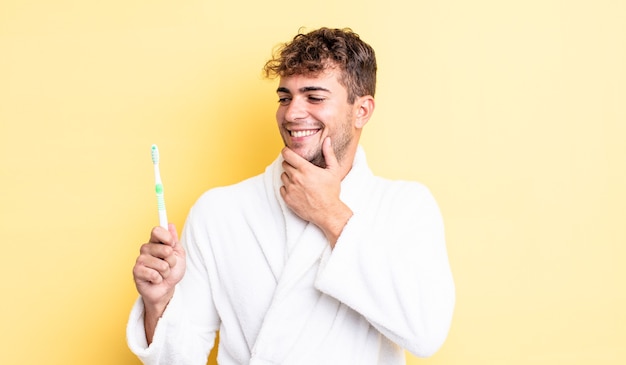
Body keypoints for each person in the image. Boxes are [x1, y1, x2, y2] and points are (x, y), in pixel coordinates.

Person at [127, 27, 455, 365]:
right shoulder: (219, 211)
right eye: (285, 97)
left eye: (314, 97)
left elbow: (426, 332)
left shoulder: (405, 207)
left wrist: (331, 214)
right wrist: (158, 304)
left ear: (362, 110)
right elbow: (178, 359)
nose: (292, 113)